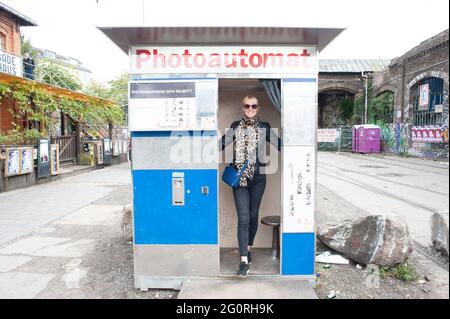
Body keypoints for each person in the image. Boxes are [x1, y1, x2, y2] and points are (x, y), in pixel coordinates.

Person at [220, 95, 281, 278]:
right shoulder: (235, 126)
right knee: (244, 218)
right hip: (239, 179)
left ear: (258, 107)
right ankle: (244, 261)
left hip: (259, 179)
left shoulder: (265, 128)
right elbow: (220, 144)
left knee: (253, 217)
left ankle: (248, 248)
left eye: (253, 105)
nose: (250, 108)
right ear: (242, 107)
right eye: (247, 105)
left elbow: (280, 145)